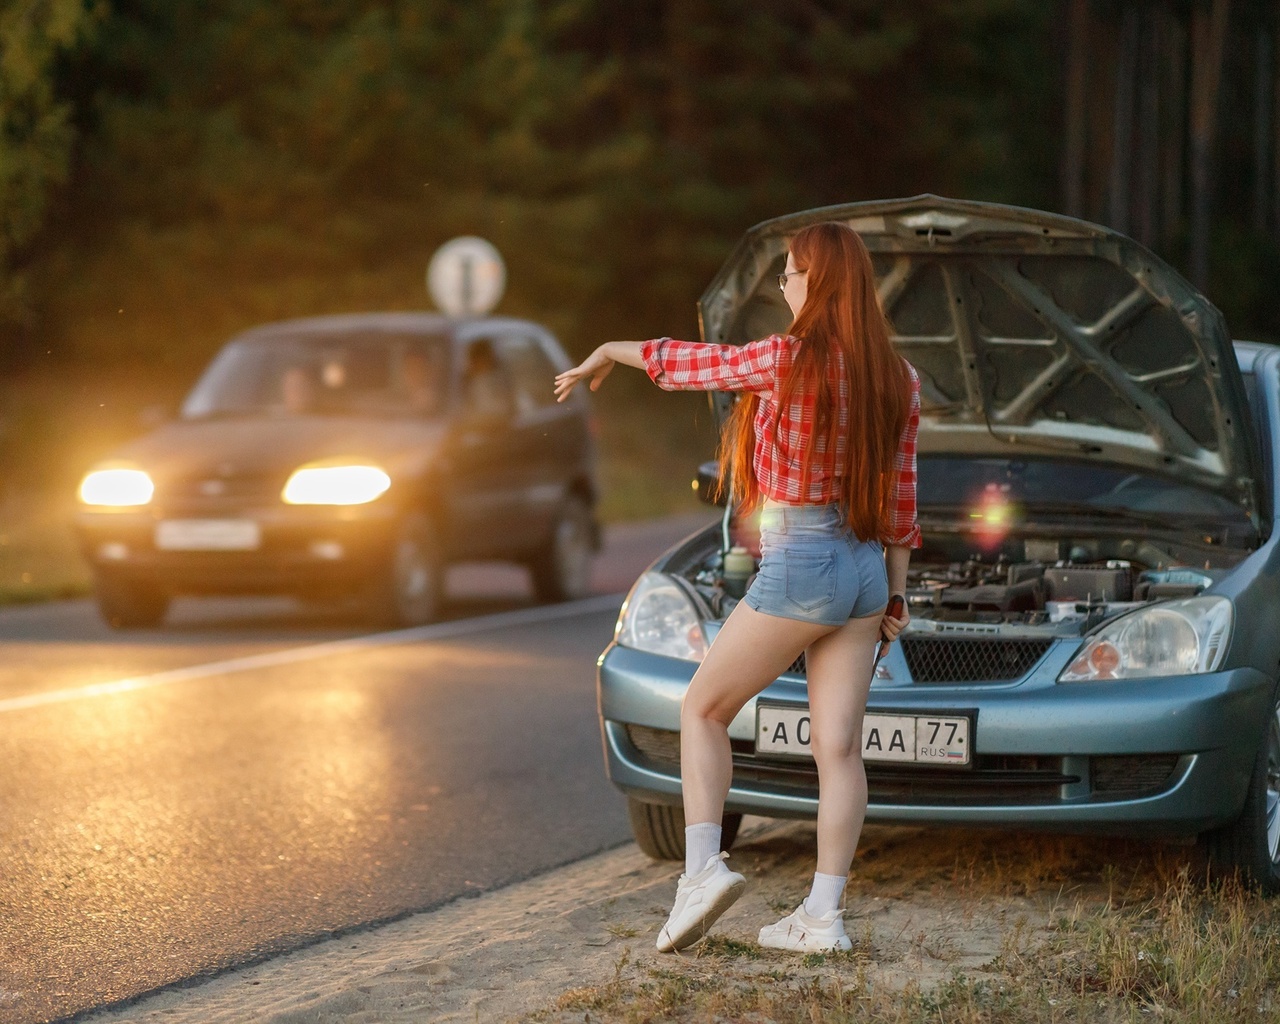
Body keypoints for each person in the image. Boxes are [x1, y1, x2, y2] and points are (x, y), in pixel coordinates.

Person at [553, 222, 920, 954]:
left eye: (788, 272)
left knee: (703, 708)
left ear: (815, 282)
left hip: (804, 561)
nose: (782, 284)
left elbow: (690, 363)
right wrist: (896, 601)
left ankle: (702, 872)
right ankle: (822, 917)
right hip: (866, 571)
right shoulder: (897, 377)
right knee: (839, 750)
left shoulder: (787, 360)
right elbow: (905, 502)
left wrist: (608, 352)